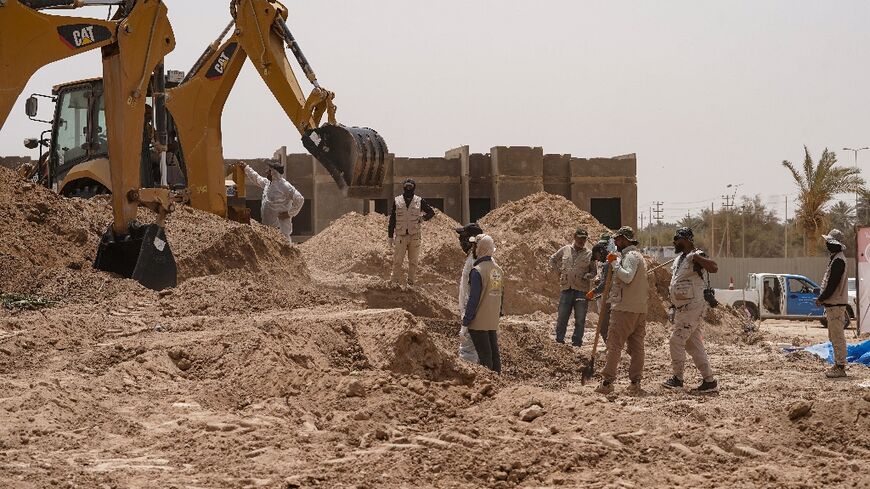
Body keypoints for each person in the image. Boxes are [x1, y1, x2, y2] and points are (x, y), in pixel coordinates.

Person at [661, 227, 720, 393]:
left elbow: (714, 268)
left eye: (677, 239)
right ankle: (709, 381)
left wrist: (697, 257)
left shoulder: (696, 255)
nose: (674, 242)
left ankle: (677, 378)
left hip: (693, 307)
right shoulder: (679, 259)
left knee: (676, 340)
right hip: (682, 308)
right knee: (693, 345)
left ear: (686, 239)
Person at [595, 226, 648, 395]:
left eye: (618, 239)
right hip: (639, 309)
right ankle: (635, 383)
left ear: (625, 239)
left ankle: (607, 382)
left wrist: (614, 263)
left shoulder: (630, 257)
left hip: (624, 309)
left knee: (614, 345)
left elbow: (627, 276)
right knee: (637, 347)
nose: (616, 243)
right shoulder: (639, 257)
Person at [462, 234, 504, 372]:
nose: (473, 249)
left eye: (475, 246)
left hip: (478, 322)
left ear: (480, 248)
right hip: (492, 321)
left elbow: (473, 299)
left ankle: (490, 387)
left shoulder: (477, 271)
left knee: (485, 357)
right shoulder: (497, 270)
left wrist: (466, 321)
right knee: (494, 356)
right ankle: (498, 383)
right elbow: (499, 297)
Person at [548, 229, 597, 346]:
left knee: (580, 319)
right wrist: (559, 271)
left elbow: (594, 271)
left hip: (581, 291)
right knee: (562, 317)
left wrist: (588, 275)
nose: (581, 241)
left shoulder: (590, 254)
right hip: (566, 289)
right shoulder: (565, 250)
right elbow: (552, 259)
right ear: (574, 237)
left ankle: (577, 343)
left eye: (584, 239)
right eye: (579, 238)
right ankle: (559, 341)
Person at [388, 179, 436, 286]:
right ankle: (393, 282)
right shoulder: (397, 201)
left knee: (413, 262)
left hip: (414, 236)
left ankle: (411, 283)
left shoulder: (419, 201)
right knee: (397, 261)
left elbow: (431, 212)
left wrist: (422, 218)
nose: (408, 188)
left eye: (410, 186)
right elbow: (392, 219)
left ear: (414, 187)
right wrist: (390, 236)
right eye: (407, 186)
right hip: (401, 236)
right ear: (404, 187)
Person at [815, 229, 850, 379]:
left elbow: (832, 284)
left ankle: (840, 367)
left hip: (835, 305)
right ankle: (838, 364)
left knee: (837, 337)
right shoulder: (836, 259)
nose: (827, 244)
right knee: (834, 336)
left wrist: (821, 298)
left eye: (829, 242)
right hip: (833, 305)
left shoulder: (838, 261)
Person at [244, 161, 305, 243]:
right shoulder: (267, 183)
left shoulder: (285, 186)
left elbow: (300, 199)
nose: (266, 172)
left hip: (280, 231)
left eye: (269, 171)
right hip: (268, 229)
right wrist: (246, 168)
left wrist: (289, 213)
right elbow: (257, 178)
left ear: (274, 172)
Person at [456, 222, 483, 364]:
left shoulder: (475, 261)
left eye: (463, 237)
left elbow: (474, 293)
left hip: (472, 313)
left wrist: (467, 319)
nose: (460, 241)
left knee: (467, 353)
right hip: (472, 312)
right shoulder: (473, 258)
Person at [587, 239, 612, 342]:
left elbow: (606, 284)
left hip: (610, 299)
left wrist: (593, 292)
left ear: (601, 252)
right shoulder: (610, 261)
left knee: (603, 327)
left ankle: (611, 348)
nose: (597, 259)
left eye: (597, 256)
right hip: (613, 298)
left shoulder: (608, 264)